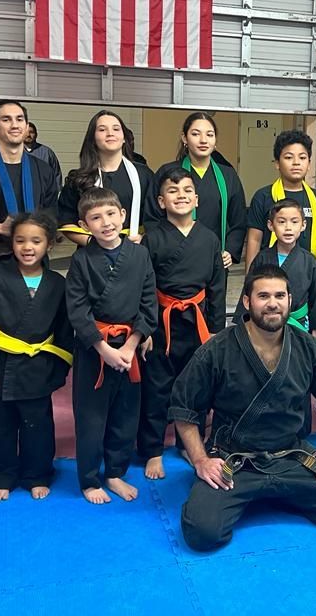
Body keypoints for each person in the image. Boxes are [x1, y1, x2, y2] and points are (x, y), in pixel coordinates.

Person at [169, 265, 316, 552]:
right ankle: (265, 493)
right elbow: (184, 407)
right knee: (202, 532)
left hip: (291, 457)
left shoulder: (308, 347)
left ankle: (274, 491)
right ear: (247, 302)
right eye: (263, 296)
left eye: (279, 295)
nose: (272, 303)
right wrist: (201, 460)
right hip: (234, 461)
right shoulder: (218, 349)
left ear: (290, 300)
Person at [0, 211, 73, 501]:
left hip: (39, 365)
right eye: (21, 240)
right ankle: (1, 475)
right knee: (0, 426)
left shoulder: (57, 284)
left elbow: (63, 332)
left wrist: (59, 369)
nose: (28, 247)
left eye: (36, 241)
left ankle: (37, 475)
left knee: (38, 426)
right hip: (1, 364)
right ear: (11, 243)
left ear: (49, 245)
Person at [66, 188, 156, 504]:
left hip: (129, 347)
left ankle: (115, 473)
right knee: (91, 415)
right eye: (95, 217)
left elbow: (148, 303)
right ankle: (90, 480)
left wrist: (131, 345)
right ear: (84, 224)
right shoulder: (81, 260)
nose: (105, 223)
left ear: (122, 215)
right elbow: (77, 310)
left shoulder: (140, 255)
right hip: (95, 350)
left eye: (110, 214)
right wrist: (103, 348)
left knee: (126, 413)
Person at [139, 168, 226, 481]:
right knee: (157, 387)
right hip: (162, 323)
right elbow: (144, 286)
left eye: (187, 190)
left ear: (197, 199)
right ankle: (152, 450)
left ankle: (190, 443)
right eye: (173, 192)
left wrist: (215, 329)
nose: (181, 196)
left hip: (197, 321)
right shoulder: (153, 237)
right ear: (162, 201)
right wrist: (145, 328)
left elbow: (217, 285)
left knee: (197, 387)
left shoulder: (209, 238)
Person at [239, 199, 316, 438]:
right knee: (262, 374)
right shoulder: (261, 258)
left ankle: (299, 432)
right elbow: (249, 295)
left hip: (299, 328)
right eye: (281, 222)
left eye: (294, 222)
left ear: (303, 226)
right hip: (264, 328)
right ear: (270, 225)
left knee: (298, 378)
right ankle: (262, 428)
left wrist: (315, 336)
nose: (288, 227)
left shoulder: (310, 261)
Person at [0, 101, 60, 287]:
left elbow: (52, 215)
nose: (15, 125)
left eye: (20, 119)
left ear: (26, 125)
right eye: (6, 119)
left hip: (36, 260)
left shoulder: (43, 170)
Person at [151, 112, 247, 271]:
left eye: (210, 134)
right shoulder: (167, 172)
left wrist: (230, 250)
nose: (203, 140)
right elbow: (153, 215)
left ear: (215, 140)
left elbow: (238, 219)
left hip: (216, 259)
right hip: (174, 259)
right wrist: (165, 247)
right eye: (195, 134)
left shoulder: (228, 175)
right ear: (184, 138)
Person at [58, 110, 156, 246]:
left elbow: (157, 215)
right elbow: (66, 220)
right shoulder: (79, 179)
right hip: (92, 252)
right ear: (92, 139)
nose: (110, 133)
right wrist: (93, 243)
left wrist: (143, 238)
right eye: (102, 130)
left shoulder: (144, 174)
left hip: (135, 248)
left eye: (116, 129)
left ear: (124, 138)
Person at [245, 129, 316, 269]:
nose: (296, 163)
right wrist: (249, 280)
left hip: (309, 273)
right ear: (277, 163)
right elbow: (254, 239)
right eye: (289, 157)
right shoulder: (264, 196)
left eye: (302, 158)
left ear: (309, 164)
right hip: (271, 274)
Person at [25, 122, 63, 190]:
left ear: (36, 135)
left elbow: (56, 174)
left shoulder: (47, 153)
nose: (28, 135)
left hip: (44, 194)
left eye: (31, 132)